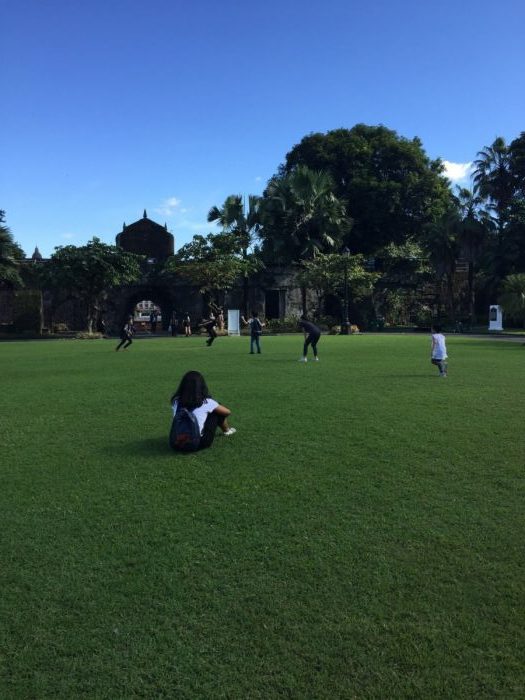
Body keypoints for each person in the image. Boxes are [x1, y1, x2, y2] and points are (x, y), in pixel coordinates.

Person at [170, 370, 236, 451]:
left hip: (176, 442)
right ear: (201, 386)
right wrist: (215, 406)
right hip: (198, 443)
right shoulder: (206, 402)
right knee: (217, 411)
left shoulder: (176, 401)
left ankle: (183, 437)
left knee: (213, 409)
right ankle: (227, 431)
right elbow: (227, 412)